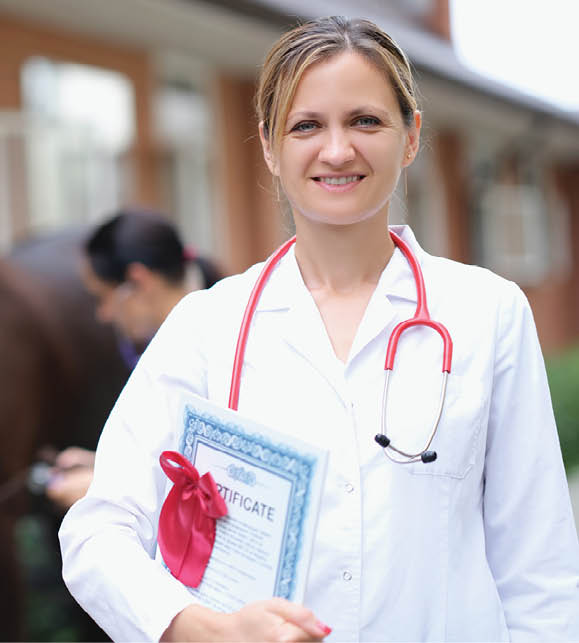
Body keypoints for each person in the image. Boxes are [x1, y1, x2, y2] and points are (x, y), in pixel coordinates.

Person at [59, 16, 579, 642]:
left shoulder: (486, 313)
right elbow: (97, 530)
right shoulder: (206, 325)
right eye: (306, 125)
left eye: (366, 120)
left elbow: (540, 570)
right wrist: (201, 628)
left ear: (411, 137)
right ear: (270, 147)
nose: (337, 150)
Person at [45, 210, 222, 509]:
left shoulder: (217, 346)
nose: (104, 315)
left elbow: (224, 479)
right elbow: (177, 452)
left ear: (138, 280)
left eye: (103, 297)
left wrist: (102, 486)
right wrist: (103, 466)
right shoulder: (179, 339)